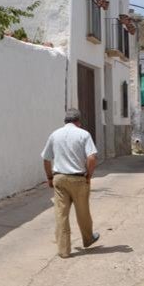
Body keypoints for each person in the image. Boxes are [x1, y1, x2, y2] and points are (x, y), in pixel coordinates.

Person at [41, 109, 100, 258]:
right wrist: (89, 175)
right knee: (83, 212)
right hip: (79, 178)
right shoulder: (84, 134)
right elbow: (92, 158)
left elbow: (46, 159)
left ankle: (64, 250)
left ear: (65, 121)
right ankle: (88, 239)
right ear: (78, 121)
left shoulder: (54, 134)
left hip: (60, 178)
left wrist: (49, 177)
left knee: (61, 214)